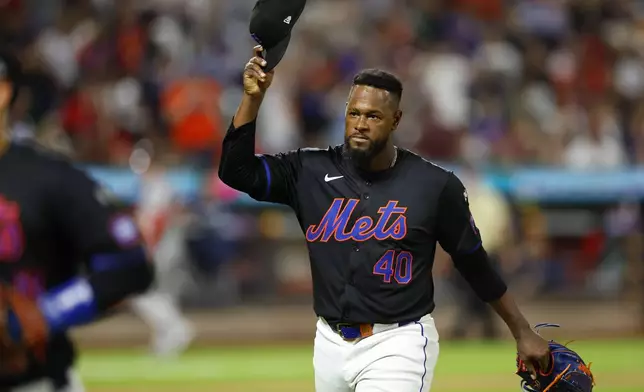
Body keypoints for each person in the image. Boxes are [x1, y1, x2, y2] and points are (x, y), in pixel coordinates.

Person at [218, 45, 551, 392]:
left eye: (373, 116)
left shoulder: (434, 185)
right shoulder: (309, 170)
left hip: (398, 342)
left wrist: (521, 329)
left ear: (395, 120)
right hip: (329, 342)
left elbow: (473, 261)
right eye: (354, 113)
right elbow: (235, 171)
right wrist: (252, 99)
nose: (360, 124)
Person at [0, 50, 154, 391]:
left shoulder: (47, 177)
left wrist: (51, 312)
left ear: (3, 91)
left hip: (34, 380)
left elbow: (127, 263)